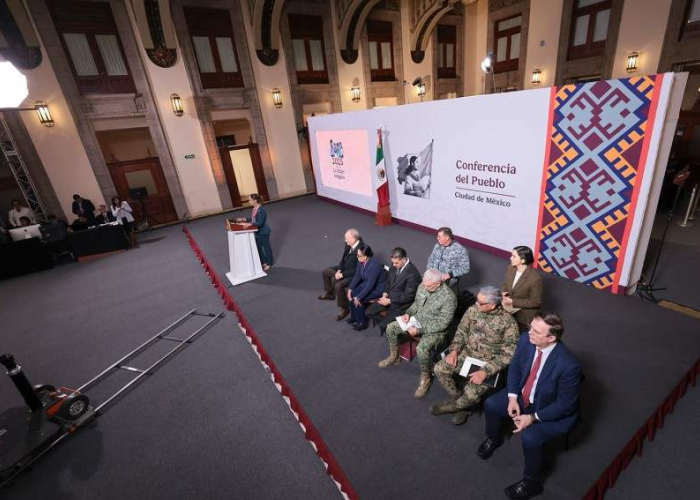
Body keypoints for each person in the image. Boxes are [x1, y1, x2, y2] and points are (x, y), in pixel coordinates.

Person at [477, 313, 582, 500]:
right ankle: (493, 438)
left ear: (551, 338)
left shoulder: (569, 365)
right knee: (492, 404)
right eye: (530, 327)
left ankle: (532, 483)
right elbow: (516, 367)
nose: (529, 332)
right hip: (523, 396)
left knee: (530, 438)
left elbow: (566, 405)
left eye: (536, 331)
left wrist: (532, 418)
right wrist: (512, 398)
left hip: (549, 408)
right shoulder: (526, 339)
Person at [431, 286, 519, 425]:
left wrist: (485, 372)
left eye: (480, 302)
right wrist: (454, 351)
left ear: (492, 305)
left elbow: (508, 354)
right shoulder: (473, 310)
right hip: (467, 353)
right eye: (477, 300)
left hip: (487, 363)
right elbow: (461, 332)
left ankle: (458, 407)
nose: (476, 304)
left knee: (471, 394)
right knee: (439, 369)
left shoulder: (509, 323)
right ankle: (459, 399)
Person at [378, 268, 457, 398]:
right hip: (416, 320)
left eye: (429, 286)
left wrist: (419, 330)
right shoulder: (423, 285)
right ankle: (394, 356)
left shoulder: (449, 298)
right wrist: (408, 313)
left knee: (421, 349)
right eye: (424, 284)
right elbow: (417, 304)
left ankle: (426, 376)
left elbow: (443, 324)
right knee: (391, 327)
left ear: (438, 284)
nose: (425, 288)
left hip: (435, 329)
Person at [365, 247, 421, 336]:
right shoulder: (395, 264)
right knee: (368, 312)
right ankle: (386, 325)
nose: (394, 265)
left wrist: (390, 301)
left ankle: (389, 329)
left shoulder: (413, 274)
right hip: (389, 297)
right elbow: (389, 280)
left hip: (401, 305)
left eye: (396, 263)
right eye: (393, 262)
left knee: (384, 324)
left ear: (404, 259)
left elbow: (408, 297)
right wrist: (385, 292)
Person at [319, 228, 363, 321]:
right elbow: (344, 259)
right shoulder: (348, 244)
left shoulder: (362, 249)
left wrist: (342, 275)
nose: (345, 240)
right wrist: (339, 270)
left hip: (354, 274)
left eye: (346, 238)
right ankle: (330, 293)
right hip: (345, 268)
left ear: (353, 239)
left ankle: (345, 308)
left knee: (338, 285)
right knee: (326, 271)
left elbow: (358, 270)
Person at [502, 246, 543, 333]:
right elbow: (505, 284)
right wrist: (503, 292)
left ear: (523, 260)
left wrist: (513, 302)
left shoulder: (535, 278)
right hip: (508, 306)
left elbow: (535, 302)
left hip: (523, 313)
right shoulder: (510, 268)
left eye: (514, 256)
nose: (510, 258)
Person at [346, 244, 386, 331]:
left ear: (366, 256)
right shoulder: (361, 261)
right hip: (366, 284)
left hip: (377, 289)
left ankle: (362, 322)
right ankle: (354, 317)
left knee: (359, 299)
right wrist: (350, 289)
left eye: (359, 255)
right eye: (357, 255)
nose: (357, 257)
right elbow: (357, 276)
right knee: (353, 293)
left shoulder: (374, 266)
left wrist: (359, 297)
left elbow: (371, 286)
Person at [236, 193, 273, 271]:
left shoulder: (262, 210)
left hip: (263, 232)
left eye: (250, 200)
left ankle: (269, 263)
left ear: (255, 200)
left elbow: (260, 223)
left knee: (266, 248)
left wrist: (249, 224)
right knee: (258, 248)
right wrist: (243, 219)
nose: (248, 201)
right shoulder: (254, 209)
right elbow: (253, 219)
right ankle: (264, 262)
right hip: (257, 232)